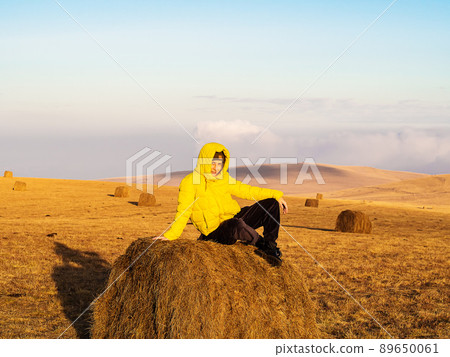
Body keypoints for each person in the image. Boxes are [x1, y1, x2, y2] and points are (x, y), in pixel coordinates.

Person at [155, 142, 288, 266]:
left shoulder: (223, 178)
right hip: (215, 231)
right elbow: (183, 211)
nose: (216, 167)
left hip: (232, 218)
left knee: (270, 204)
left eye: (219, 164)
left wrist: (276, 195)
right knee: (236, 225)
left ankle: (271, 247)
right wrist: (171, 235)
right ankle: (261, 244)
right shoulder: (190, 182)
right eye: (213, 163)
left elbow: (246, 190)